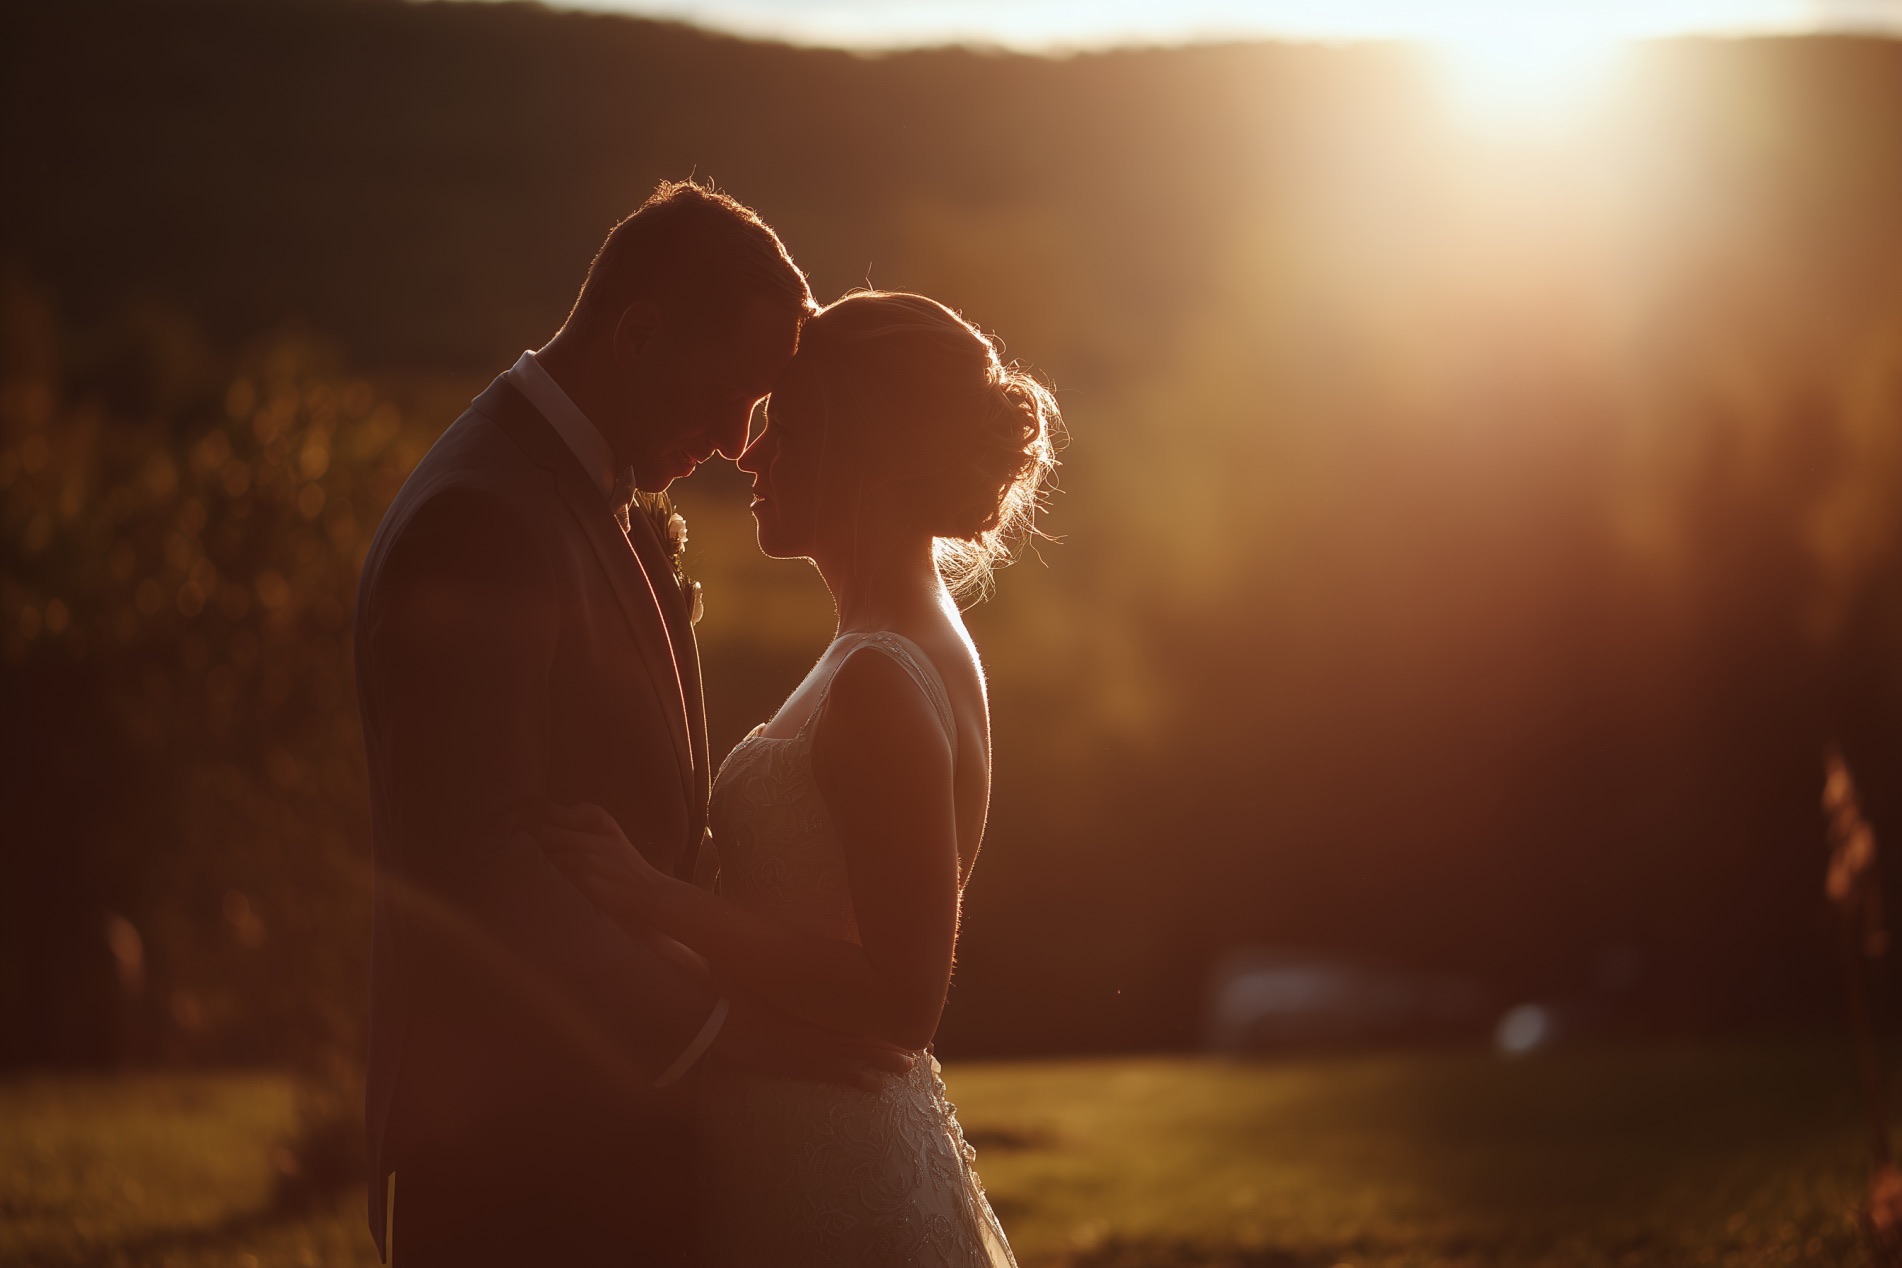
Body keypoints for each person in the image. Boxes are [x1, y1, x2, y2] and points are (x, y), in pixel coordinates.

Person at [352, 181, 909, 1268]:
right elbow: (476, 862)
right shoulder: (484, 516)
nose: (737, 438)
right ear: (638, 332)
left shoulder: (576, 488)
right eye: (726, 393)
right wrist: (719, 1026)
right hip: (518, 1157)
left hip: (605, 1140)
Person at [536, 289, 1063, 1266]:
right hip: (795, 1140)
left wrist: (655, 898)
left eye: (790, 426)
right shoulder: (892, 639)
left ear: (862, 449)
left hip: (835, 1180)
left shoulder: (878, 675)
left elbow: (901, 998)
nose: (751, 451)